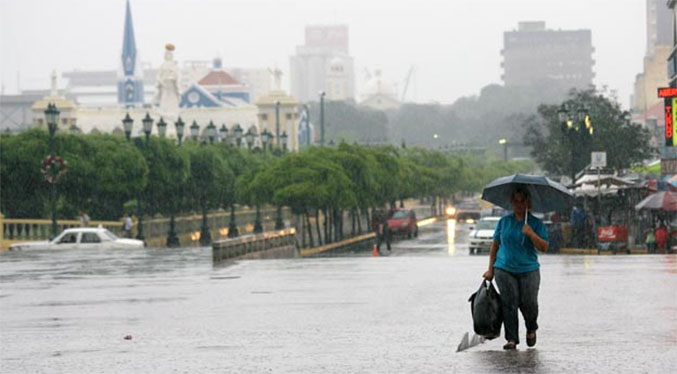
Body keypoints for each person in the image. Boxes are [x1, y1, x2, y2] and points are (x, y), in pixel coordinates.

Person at [483, 186, 549, 350]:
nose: (519, 205)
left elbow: (544, 247)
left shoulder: (535, 223)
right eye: (516, 201)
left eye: (522, 201)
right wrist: (490, 269)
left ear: (528, 203)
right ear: (511, 203)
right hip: (504, 268)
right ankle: (511, 338)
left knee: (529, 303)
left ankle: (531, 328)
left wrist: (531, 234)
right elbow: (495, 246)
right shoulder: (504, 222)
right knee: (509, 303)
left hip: (529, 269)